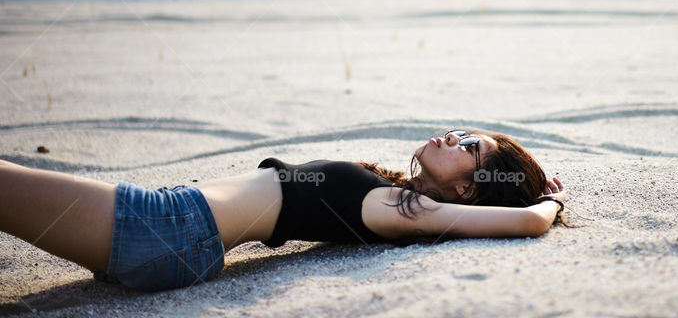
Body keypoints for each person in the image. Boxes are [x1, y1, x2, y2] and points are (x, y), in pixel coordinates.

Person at [0, 129, 568, 292]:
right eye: (463, 130)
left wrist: (550, 202)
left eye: (469, 148)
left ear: (469, 191)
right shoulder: (387, 193)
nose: (452, 135)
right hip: (173, 230)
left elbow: (522, 221)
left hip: (166, 228)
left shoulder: (399, 209)